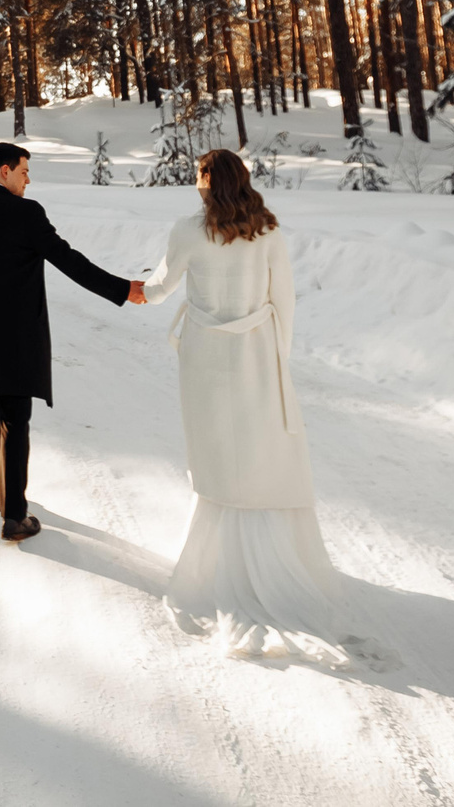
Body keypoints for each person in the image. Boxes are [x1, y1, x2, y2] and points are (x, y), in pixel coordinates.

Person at [137, 147, 352, 661]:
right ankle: (272, 560)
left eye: (198, 175)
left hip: (208, 356)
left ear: (209, 179)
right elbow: (286, 300)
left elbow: (161, 289)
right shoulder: (268, 229)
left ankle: (217, 564)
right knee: (259, 448)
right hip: (258, 350)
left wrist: (129, 288)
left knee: (215, 449)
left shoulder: (189, 230)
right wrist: (279, 356)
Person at [0, 142, 147, 543]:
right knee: (15, 417)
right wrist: (122, 289)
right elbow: (68, 260)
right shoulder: (27, 214)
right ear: (5, 171)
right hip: (17, 334)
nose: (29, 179)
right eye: (25, 171)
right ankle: (15, 515)